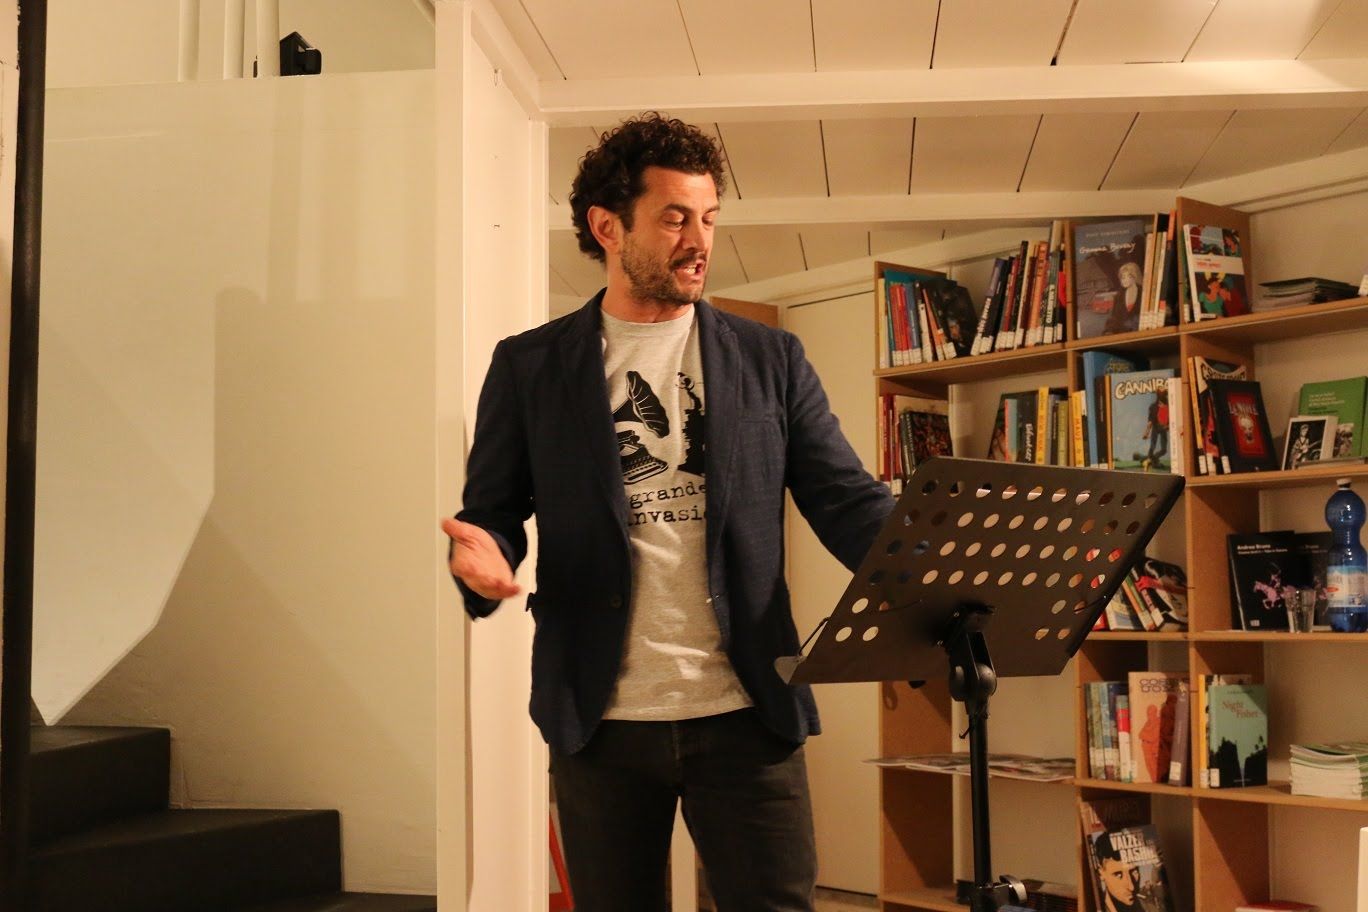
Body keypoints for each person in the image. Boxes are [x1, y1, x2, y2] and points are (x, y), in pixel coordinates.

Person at [441, 112, 894, 912]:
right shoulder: (530, 367)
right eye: (675, 218)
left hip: (749, 712)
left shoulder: (769, 358)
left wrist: (932, 562)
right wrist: (484, 560)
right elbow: (494, 512)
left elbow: (844, 497)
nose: (699, 241)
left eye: (709, 218)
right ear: (607, 227)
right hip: (601, 720)